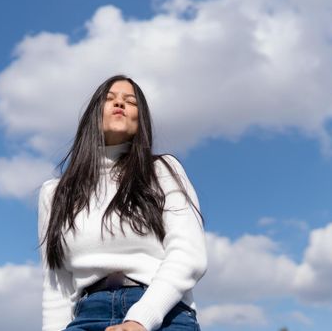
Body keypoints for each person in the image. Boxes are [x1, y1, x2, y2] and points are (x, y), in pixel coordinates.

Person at [37, 74, 208, 331]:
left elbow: (188, 254)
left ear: (141, 121)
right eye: (110, 99)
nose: (120, 104)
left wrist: (142, 318)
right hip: (86, 316)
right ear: (93, 114)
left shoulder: (162, 170)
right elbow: (56, 284)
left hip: (164, 313)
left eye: (131, 101)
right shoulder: (54, 192)